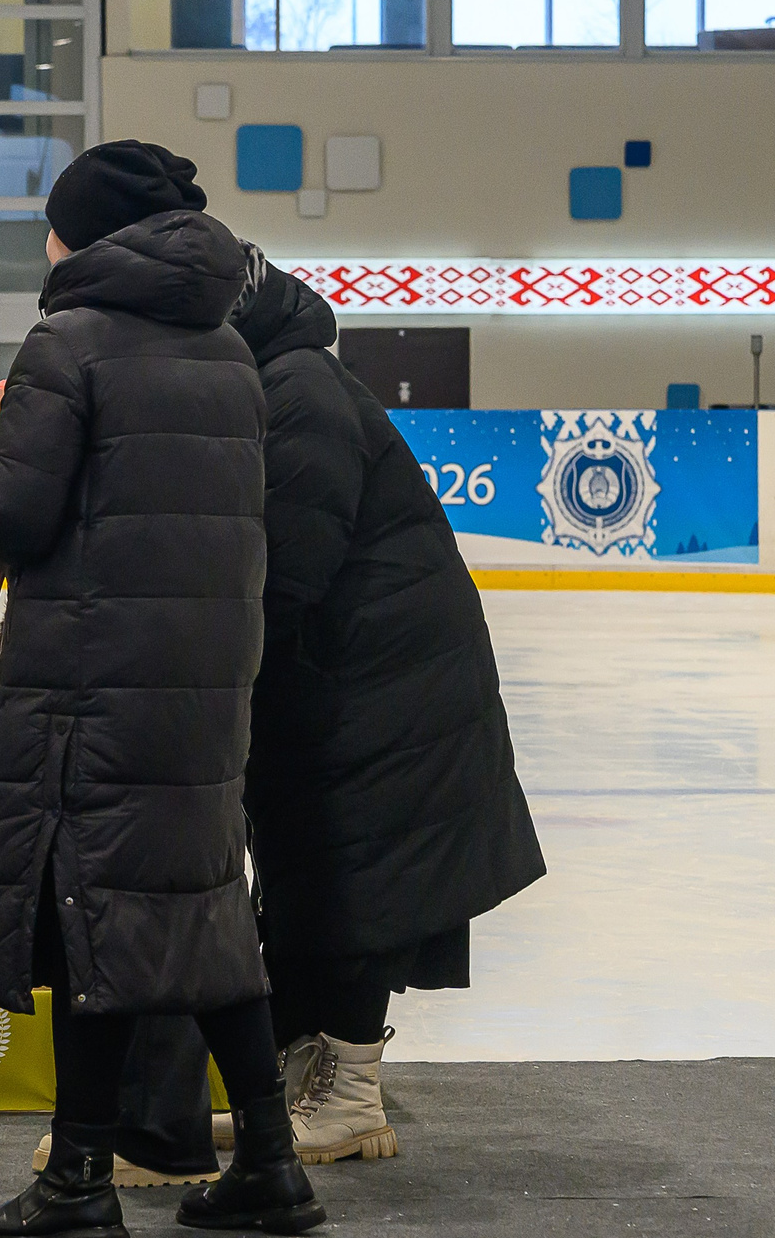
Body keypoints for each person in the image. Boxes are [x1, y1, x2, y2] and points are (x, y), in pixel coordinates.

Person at [0, 140, 322, 1238]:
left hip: (93, 673)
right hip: (202, 684)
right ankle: (269, 1161)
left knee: (90, 911)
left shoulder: (69, 342)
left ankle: (78, 1177)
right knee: (205, 907)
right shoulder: (228, 348)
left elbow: (15, 516)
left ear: (79, 235)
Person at [227, 247, 546, 1163]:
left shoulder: (300, 393)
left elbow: (290, 563)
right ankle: (308, 1082)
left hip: (383, 687)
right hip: (357, 680)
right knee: (316, 877)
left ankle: (349, 1094)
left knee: (358, 880)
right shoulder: (284, 382)